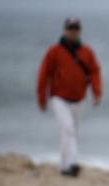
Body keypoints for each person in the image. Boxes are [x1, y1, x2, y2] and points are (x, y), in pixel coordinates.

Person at [36, 17, 102, 177]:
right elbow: (44, 74)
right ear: (64, 30)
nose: (73, 31)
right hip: (59, 98)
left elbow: (94, 72)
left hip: (79, 99)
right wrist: (42, 97)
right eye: (70, 28)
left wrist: (97, 92)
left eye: (76, 28)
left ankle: (64, 167)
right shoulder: (54, 51)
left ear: (80, 31)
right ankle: (73, 163)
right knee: (68, 128)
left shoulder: (87, 52)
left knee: (69, 133)